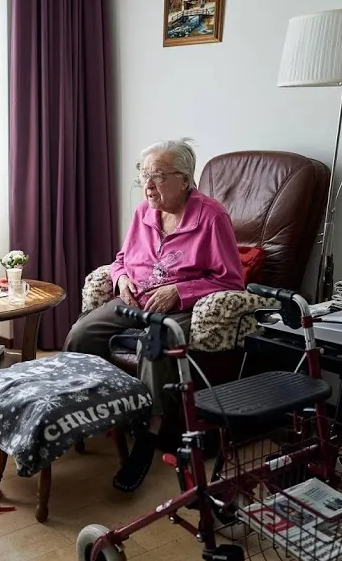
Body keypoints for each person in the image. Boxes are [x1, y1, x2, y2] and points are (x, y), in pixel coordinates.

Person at [64, 138, 244, 491]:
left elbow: (232, 280)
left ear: (185, 179)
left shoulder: (212, 217)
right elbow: (121, 259)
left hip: (181, 308)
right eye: (144, 175)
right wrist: (122, 279)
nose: (147, 185)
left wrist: (179, 291)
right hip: (135, 299)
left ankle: (148, 436)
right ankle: (87, 411)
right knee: (80, 334)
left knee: (155, 344)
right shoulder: (143, 213)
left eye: (158, 176)